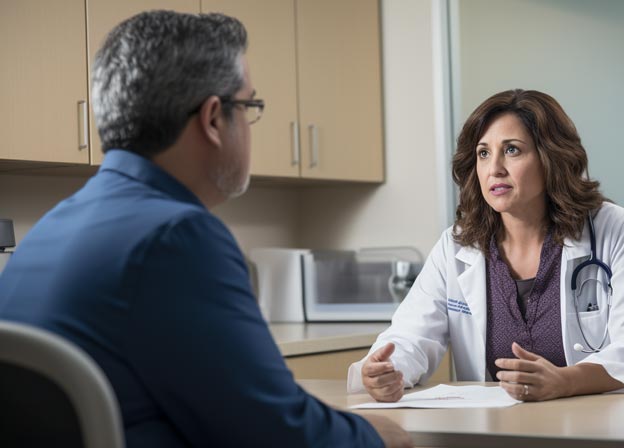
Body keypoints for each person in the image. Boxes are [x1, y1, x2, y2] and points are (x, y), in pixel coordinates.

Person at [0, 11, 410, 448]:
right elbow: (280, 434)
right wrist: (376, 436)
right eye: (250, 106)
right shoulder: (177, 237)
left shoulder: (48, 229)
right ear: (214, 119)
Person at [350, 89, 624, 402]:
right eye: (483, 153)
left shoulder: (611, 228)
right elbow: (411, 336)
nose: (495, 168)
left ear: (551, 158)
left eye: (512, 150)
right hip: (503, 428)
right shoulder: (458, 245)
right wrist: (389, 370)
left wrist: (565, 381)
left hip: (614, 422)